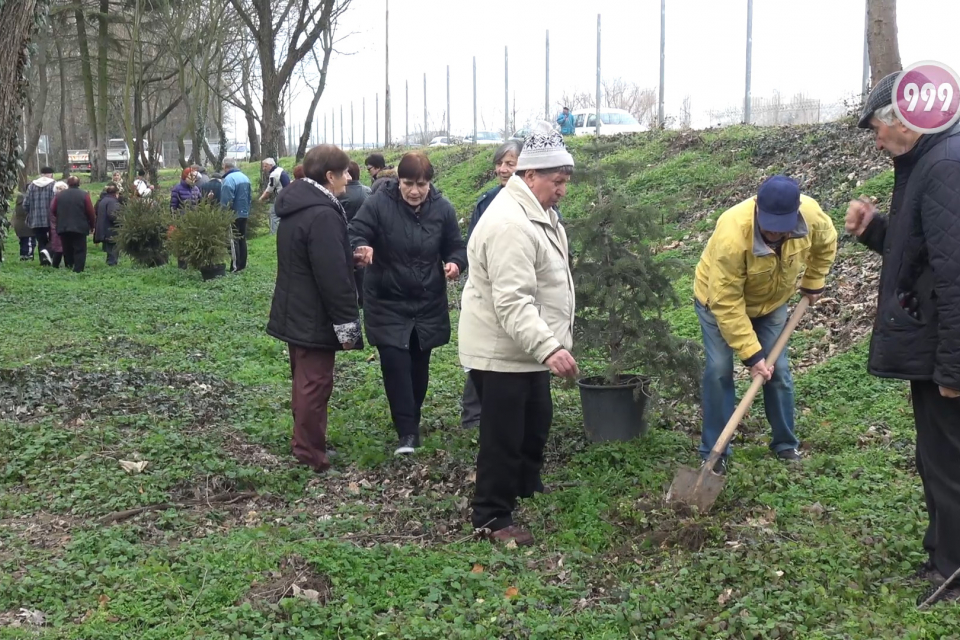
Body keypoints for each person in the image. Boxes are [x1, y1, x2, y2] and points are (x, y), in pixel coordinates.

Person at [846, 73, 960, 606]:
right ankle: (942, 556)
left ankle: (952, 571)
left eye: (875, 128)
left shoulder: (945, 167)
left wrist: (953, 369)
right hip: (935, 346)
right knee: (934, 457)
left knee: (948, 460)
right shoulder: (928, 165)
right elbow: (919, 254)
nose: (876, 141)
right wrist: (875, 229)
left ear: (902, 120)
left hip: (946, 351)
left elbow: (955, 277)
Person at [459, 121, 578, 547]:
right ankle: (491, 514)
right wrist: (549, 347)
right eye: (557, 181)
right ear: (531, 176)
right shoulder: (511, 224)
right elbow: (512, 301)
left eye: (565, 181)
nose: (562, 190)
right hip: (502, 349)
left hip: (525, 348)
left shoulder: (540, 213)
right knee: (503, 435)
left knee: (535, 422)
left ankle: (526, 487)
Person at [693, 175, 837, 473]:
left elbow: (826, 243)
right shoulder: (733, 235)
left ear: (796, 213)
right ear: (757, 207)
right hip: (717, 302)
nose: (774, 231)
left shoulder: (811, 216)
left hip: (772, 304)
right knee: (720, 370)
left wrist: (813, 280)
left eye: (781, 225)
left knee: (779, 371)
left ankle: (785, 444)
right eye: (769, 223)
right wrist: (752, 356)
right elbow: (726, 302)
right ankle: (714, 452)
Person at [350, 152, 467, 455]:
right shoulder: (377, 203)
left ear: (430, 183)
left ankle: (411, 417)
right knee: (395, 365)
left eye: (422, 184)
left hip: (427, 301)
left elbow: (455, 245)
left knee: (418, 366)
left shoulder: (442, 209)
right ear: (397, 180)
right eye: (408, 183)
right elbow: (356, 231)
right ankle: (407, 433)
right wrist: (361, 247)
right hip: (387, 300)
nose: (414, 191)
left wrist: (455, 263)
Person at [266, 144, 362, 474]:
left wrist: (348, 257)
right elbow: (331, 275)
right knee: (315, 385)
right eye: (345, 172)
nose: (349, 178)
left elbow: (313, 259)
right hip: (314, 315)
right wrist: (347, 324)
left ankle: (307, 441)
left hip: (297, 309)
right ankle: (309, 453)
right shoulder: (322, 213)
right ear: (329, 176)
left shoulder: (300, 206)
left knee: (304, 382)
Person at [458, 140, 524, 430]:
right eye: (500, 163)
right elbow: (473, 249)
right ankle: (473, 417)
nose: (502, 169)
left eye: (510, 163)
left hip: (520, 291)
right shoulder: (487, 201)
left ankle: (511, 416)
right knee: (482, 353)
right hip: (487, 291)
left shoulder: (540, 204)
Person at [338, 161, 372, 307]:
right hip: (363, 236)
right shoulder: (367, 191)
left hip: (343, 235)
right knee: (362, 270)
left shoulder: (340, 193)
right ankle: (364, 299)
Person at [50, 176, 96, 273]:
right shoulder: (84, 195)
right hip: (80, 226)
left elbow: (53, 210)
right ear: (79, 183)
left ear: (68, 183)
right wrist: (92, 225)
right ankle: (78, 268)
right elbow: (90, 212)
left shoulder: (59, 195)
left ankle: (69, 265)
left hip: (63, 225)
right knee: (80, 248)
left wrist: (60, 217)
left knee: (67, 247)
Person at [221, 158, 252, 272]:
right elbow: (249, 196)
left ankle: (235, 266)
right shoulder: (245, 177)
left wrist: (224, 213)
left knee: (233, 240)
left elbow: (226, 200)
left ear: (226, 167)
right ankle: (242, 264)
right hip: (244, 212)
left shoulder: (228, 180)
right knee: (242, 238)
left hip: (233, 214)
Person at [23, 166, 56, 265]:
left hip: (35, 219)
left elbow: (26, 204)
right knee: (53, 239)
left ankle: (43, 261)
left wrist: (31, 213)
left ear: (41, 174)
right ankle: (49, 255)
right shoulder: (53, 185)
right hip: (51, 219)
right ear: (51, 174)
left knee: (41, 240)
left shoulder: (32, 185)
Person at [259, 157, 291, 234]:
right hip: (288, 194)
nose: (264, 168)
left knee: (274, 213)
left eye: (265, 166)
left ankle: (273, 233)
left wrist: (260, 199)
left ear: (271, 165)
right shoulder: (280, 169)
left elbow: (269, 190)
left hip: (282, 196)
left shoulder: (274, 174)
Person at [94, 183, 122, 266]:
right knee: (113, 248)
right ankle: (112, 264)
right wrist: (121, 221)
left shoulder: (103, 200)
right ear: (116, 193)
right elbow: (113, 215)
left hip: (104, 228)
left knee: (109, 248)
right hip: (111, 229)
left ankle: (110, 262)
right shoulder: (113, 201)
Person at [12, 193, 34, 261]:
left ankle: (23, 255)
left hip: (19, 226)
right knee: (29, 242)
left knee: (23, 241)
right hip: (27, 227)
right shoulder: (26, 204)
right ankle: (28, 256)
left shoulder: (18, 204)